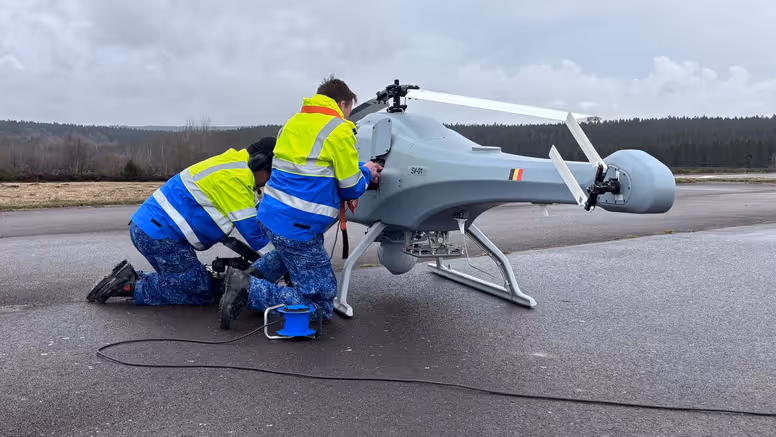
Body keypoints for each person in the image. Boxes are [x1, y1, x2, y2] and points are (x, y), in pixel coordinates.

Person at [217, 76, 382, 329]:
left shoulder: (293, 123)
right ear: (342, 103)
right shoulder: (339, 129)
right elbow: (350, 187)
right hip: (299, 226)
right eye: (348, 110)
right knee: (320, 303)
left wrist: (359, 167)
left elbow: (314, 166)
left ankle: (243, 278)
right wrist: (368, 172)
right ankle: (247, 289)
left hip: (272, 216)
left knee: (286, 255)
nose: (348, 116)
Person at [86, 137, 277, 306]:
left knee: (192, 280)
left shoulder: (235, 168)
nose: (269, 180)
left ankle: (128, 277)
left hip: (157, 230)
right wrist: (280, 260)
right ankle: (130, 286)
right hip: (159, 234)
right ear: (258, 162)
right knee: (199, 291)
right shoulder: (235, 178)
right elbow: (254, 233)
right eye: (271, 173)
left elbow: (261, 218)